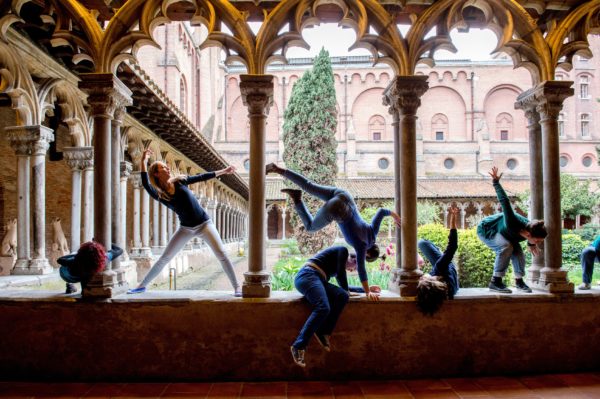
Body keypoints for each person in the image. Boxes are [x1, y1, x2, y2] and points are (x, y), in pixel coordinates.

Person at [266, 163, 400, 301]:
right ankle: (297, 199)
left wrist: (395, 216)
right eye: (365, 258)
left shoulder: (373, 231)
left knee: (309, 185)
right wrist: (367, 292)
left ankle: (278, 169)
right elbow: (361, 269)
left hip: (344, 196)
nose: (361, 258)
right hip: (338, 210)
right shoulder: (362, 246)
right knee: (311, 227)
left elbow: (381, 211)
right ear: (368, 253)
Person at [128, 148, 241, 296]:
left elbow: (202, 177)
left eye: (166, 166)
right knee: (165, 257)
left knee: (222, 255)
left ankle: (237, 287)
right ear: (156, 174)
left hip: (205, 224)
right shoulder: (161, 195)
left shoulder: (180, 181)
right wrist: (143, 161)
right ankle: (142, 285)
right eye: (163, 167)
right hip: (186, 228)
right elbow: (146, 184)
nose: (167, 168)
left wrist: (224, 171)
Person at [290, 245, 380, 367]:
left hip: (318, 279)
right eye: (355, 267)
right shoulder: (342, 251)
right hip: (307, 275)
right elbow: (341, 275)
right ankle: (298, 346)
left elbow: (344, 288)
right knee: (323, 307)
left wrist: (366, 289)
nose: (353, 270)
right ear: (354, 260)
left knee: (342, 295)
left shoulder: (337, 265)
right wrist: (352, 288)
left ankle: (323, 332)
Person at [477, 167, 547, 293]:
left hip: (507, 235)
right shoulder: (513, 221)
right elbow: (505, 201)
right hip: (487, 229)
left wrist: (531, 243)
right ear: (529, 234)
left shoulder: (529, 233)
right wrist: (496, 182)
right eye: (537, 241)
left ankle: (519, 282)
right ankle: (495, 281)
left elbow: (530, 239)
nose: (538, 243)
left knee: (518, 252)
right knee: (506, 247)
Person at [416, 206, 460, 315]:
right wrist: (453, 218)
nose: (421, 278)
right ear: (433, 279)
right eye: (422, 279)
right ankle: (440, 253)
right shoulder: (439, 268)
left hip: (452, 280)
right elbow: (453, 246)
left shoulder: (445, 293)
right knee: (421, 243)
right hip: (448, 266)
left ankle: (441, 254)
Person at [58, 241, 123, 294]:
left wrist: (75, 255)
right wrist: (107, 243)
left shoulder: (75, 260)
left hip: (68, 276)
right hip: (80, 273)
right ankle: (84, 289)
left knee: (81, 270)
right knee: (86, 272)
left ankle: (71, 285)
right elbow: (119, 250)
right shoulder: (104, 258)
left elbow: (60, 260)